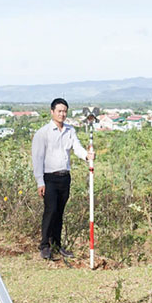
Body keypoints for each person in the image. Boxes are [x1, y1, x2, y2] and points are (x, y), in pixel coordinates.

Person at [30, 98, 94, 261]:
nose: (62, 114)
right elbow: (37, 159)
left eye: (64, 111)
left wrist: (87, 156)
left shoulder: (70, 130)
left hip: (65, 177)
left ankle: (57, 245)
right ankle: (44, 245)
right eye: (59, 111)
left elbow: (77, 147)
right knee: (50, 211)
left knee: (60, 212)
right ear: (52, 112)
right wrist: (40, 182)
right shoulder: (42, 133)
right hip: (49, 178)